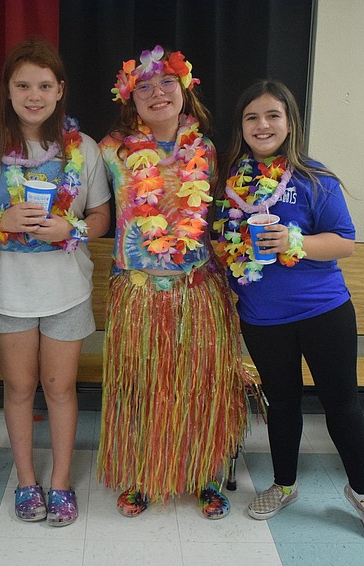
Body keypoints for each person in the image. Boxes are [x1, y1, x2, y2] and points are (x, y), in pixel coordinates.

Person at [213, 79, 364, 544]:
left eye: (273, 115)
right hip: (262, 317)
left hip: (323, 312)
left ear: (290, 122)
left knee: (342, 403)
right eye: (252, 117)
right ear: (242, 126)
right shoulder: (231, 182)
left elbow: (344, 242)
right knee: (283, 404)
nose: (262, 124)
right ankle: (284, 484)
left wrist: (295, 242)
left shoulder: (316, 178)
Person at [0, 39, 111, 528]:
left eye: (44, 85)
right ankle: (27, 481)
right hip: (9, 291)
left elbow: (102, 214)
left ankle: (61, 481)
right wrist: (4, 223)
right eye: (22, 85)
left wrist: (75, 228)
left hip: (67, 290)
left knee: (60, 387)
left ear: (60, 90)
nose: (33, 95)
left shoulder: (82, 148)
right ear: (7, 90)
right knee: (20, 388)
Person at [96, 45, 248, 520]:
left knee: (199, 386)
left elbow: (225, 221)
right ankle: (142, 474)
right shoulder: (110, 152)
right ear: (130, 98)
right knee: (141, 387)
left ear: (184, 91)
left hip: (197, 291)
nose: (156, 93)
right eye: (144, 86)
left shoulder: (207, 151)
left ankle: (203, 472)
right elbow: (95, 212)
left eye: (165, 84)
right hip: (137, 292)